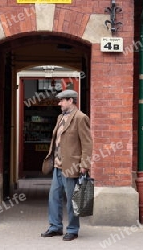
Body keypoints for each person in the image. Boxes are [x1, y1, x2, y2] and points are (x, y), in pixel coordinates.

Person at [40, 89, 93, 241]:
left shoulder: (81, 118)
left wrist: (85, 164)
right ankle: (55, 227)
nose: (59, 103)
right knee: (54, 197)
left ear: (71, 101)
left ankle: (73, 229)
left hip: (72, 166)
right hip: (57, 165)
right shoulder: (60, 117)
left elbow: (87, 143)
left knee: (72, 200)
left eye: (62, 100)